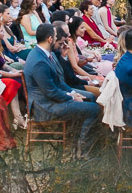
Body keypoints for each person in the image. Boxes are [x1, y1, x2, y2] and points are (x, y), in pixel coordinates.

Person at [19, 22, 101, 155]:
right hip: (46, 107)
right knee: (95, 109)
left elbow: (58, 82)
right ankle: (83, 149)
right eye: (56, 36)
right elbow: (50, 92)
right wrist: (71, 97)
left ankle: (74, 139)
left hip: (51, 99)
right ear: (50, 39)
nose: (58, 39)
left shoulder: (43, 54)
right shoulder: (39, 61)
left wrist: (73, 93)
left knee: (90, 97)